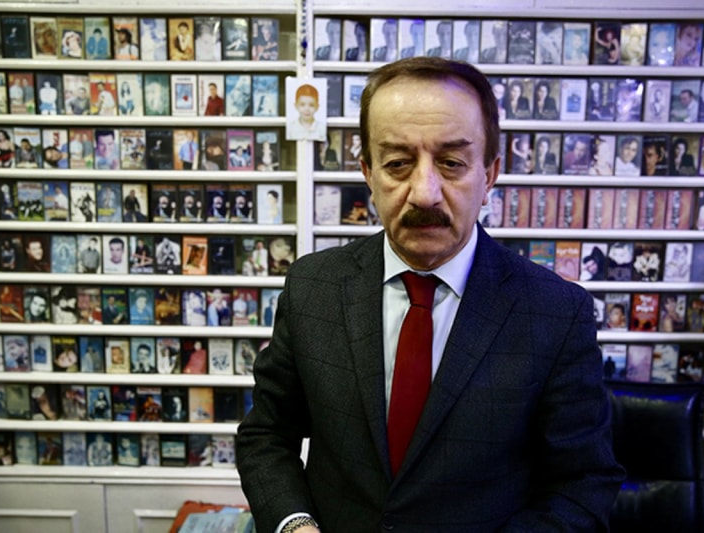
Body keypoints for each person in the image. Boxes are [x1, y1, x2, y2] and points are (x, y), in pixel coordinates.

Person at [236, 57, 623, 532]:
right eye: (397, 164)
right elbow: (266, 435)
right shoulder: (312, 287)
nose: (424, 193)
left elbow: (583, 484)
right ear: (368, 173)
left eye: (452, 163)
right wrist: (294, 525)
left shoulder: (555, 313)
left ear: (490, 174)